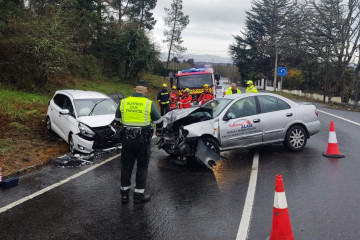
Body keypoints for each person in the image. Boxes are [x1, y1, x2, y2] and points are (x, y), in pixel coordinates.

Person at [114, 80, 163, 204]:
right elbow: (159, 122)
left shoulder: (123, 102)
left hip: (127, 139)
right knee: (142, 167)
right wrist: (159, 131)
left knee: (126, 166)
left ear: (135, 90)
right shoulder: (149, 104)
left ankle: (124, 195)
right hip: (142, 140)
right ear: (145, 92)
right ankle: (138, 196)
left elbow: (117, 120)